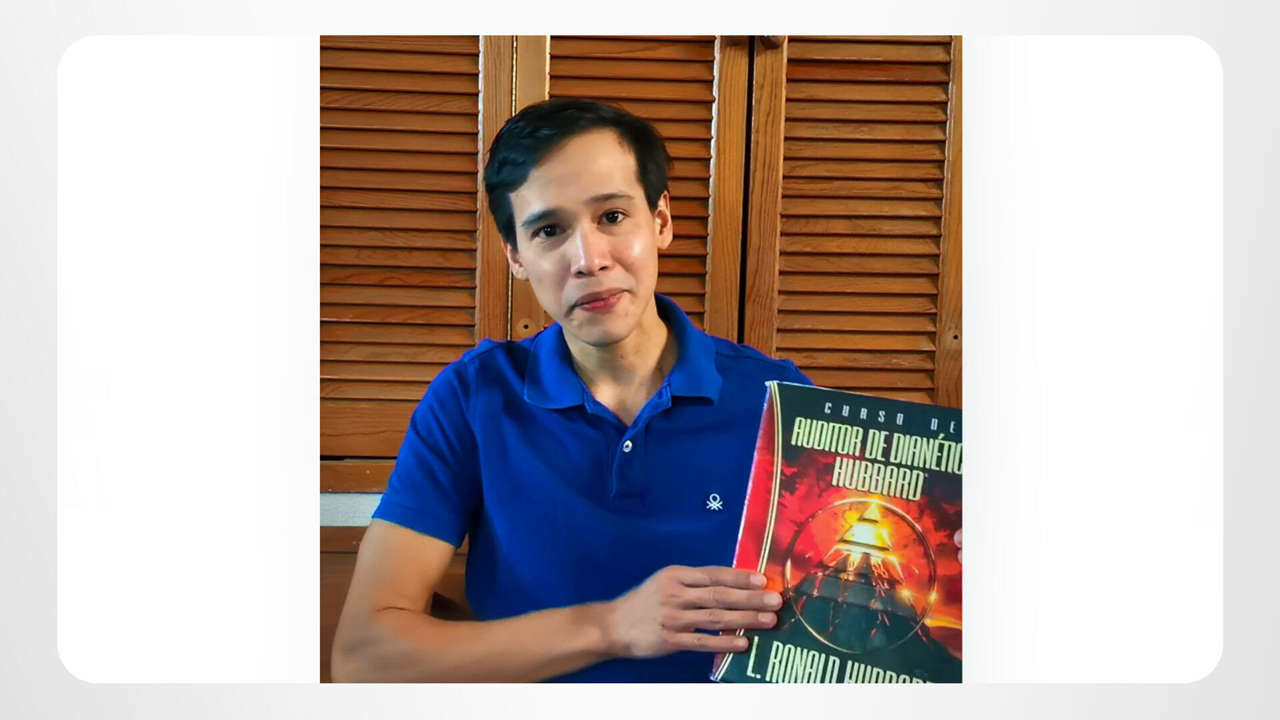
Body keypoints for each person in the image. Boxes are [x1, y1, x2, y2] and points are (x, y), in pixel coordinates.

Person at [330, 98, 812, 683]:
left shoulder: (780, 398)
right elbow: (363, 656)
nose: (588, 259)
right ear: (516, 256)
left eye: (613, 216)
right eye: (549, 231)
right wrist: (613, 626)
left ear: (660, 221)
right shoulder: (474, 396)